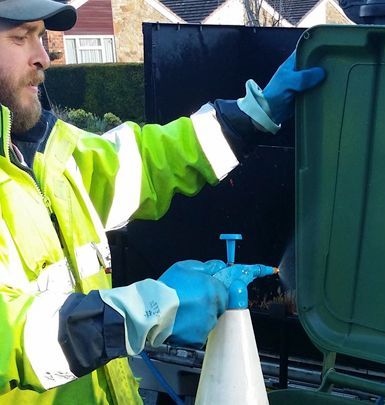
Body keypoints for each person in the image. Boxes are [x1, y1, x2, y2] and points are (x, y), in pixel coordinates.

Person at [0, 0, 325, 403]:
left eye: (40, 36)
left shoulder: (48, 153)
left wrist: (250, 115)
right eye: (19, 38)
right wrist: (146, 310)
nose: (43, 57)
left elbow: (149, 163)